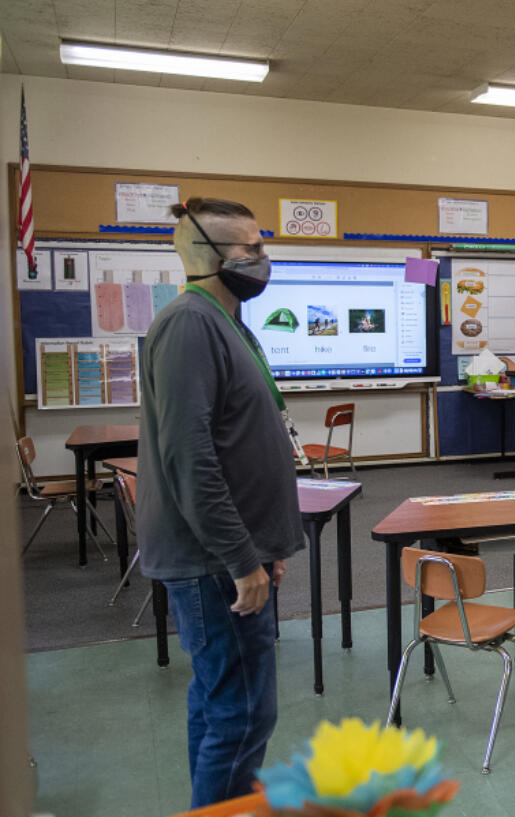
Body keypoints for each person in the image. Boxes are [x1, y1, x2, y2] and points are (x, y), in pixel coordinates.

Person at [136, 197, 303, 808]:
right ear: (209, 258)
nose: (263, 259)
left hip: (234, 553)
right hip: (213, 561)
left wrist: (267, 546)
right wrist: (241, 558)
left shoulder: (224, 322)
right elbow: (191, 455)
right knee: (243, 714)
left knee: (218, 702)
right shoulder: (189, 323)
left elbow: (234, 440)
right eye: (251, 249)